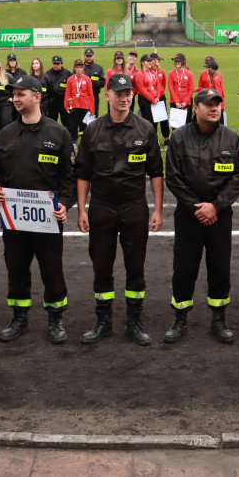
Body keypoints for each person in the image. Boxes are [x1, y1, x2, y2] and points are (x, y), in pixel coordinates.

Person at [75, 73, 164, 346]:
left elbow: (156, 172)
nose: (124, 98)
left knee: (135, 266)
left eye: (128, 94)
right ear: (107, 95)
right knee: (102, 266)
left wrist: (157, 209)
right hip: (101, 207)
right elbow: (83, 173)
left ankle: (134, 322)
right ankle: (103, 320)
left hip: (134, 207)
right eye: (119, 93)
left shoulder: (145, 128)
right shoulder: (92, 129)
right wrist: (81, 210)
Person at [0, 75, 76, 344]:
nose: (15, 99)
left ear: (37, 96)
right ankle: (19, 316)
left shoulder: (58, 133)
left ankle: (55, 317)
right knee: (16, 267)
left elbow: (69, 177)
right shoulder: (5, 134)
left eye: (21, 94)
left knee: (51, 268)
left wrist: (64, 203)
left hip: (48, 219)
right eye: (13, 95)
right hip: (14, 219)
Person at [163, 87, 239, 344]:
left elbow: (238, 177)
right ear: (194, 108)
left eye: (217, 104)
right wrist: (197, 207)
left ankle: (219, 319)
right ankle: (180, 318)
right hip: (189, 216)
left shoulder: (232, 138)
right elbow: (173, 178)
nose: (214, 108)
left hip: (219, 216)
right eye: (208, 104)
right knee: (184, 268)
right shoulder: (179, 137)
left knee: (219, 267)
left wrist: (216, 206)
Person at [64, 59, 95, 142]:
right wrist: (66, 106)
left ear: (83, 68)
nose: (79, 69)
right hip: (74, 105)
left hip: (85, 106)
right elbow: (67, 93)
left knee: (84, 125)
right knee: (73, 125)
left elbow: (90, 94)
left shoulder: (87, 79)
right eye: (77, 67)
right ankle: (74, 140)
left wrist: (92, 109)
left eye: (81, 67)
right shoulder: (70, 79)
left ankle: (84, 141)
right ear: (74, 68)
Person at [43, 55, 72, 130]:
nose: (55, 65)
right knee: (52, 121)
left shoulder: (67, 73)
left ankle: (67, 137)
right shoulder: (47, 74)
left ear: (61, 64)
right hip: (52, 102)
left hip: (64, 102)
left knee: (66, 121)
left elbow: (72, 87)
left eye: (57, 64)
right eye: (54, 63)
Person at [167, 53, 194, 127]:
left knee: (187, 123)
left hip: (186, 102)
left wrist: (185, 101)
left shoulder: (189, 73)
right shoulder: (171, 73)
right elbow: (171, 88)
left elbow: (191, 89)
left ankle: (186, 138)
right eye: (175, 61)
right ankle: (176, 138)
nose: (177, 63)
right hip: (175, 102)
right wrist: (176, 102)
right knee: (175, 124)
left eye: (179, 61)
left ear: (183, 62)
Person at [82, 48, 106, 116]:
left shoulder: (99, 68)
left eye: (90, 56)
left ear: (93, 56)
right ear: (84, 56)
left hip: (94, 96)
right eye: (87, 56)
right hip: (82, 97)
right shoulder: (80, 68)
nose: (89, 58)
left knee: (94, 117)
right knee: (82, 119)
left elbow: (102, 83)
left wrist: (90, 81)